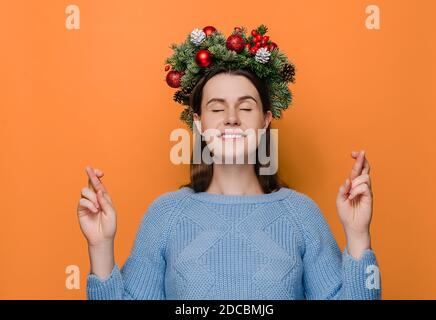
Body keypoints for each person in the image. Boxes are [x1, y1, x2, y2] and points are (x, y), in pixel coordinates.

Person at [77, 25, 381, 300]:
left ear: (265, 122)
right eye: (217, 108)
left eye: (246, 108)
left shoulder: (301, 215)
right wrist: (100, 247)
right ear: (198, 122)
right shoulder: (165, 216)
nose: (232, 119)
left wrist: (358, 237)